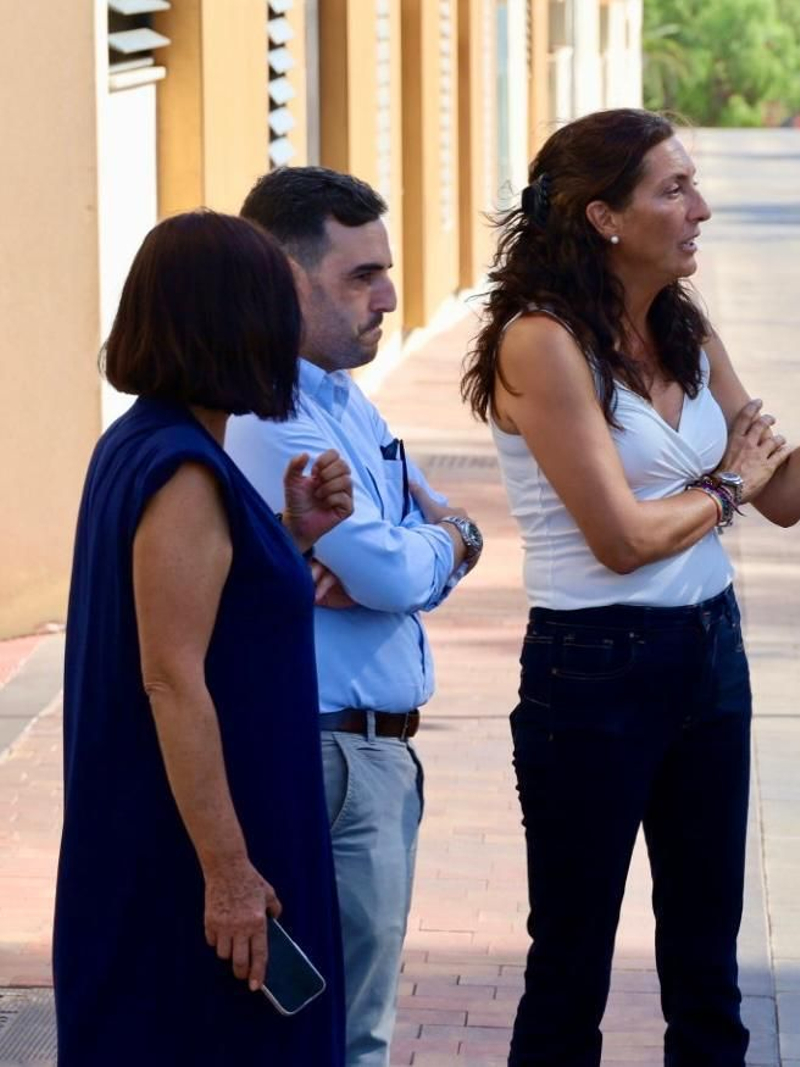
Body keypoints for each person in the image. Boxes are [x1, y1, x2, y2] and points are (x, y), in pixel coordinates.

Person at [459, 107, 800, 1066]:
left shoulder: (685, 330)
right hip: (590, 672)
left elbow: (786, 490)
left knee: (708, 969)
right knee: (571, 969)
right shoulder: (540, 342)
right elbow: (625, 537)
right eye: (673, 190)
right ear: (603, 218)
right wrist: (725, 487)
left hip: (708, 656)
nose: (700, 208)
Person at [55, 211, 353, 1064]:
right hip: (205, 850)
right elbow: (172, 677)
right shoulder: (182, 468)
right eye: (279, 306)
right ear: (233, 322)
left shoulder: (148, 446)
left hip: (201, 834)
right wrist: (228, 874)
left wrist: (291, 540)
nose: (291, 330)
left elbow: (214, 618)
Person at [225, 167, 482, 1067]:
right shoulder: (272, 415)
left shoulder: (343, 398)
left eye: (387, 268)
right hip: (332, 756)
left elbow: (420, 541)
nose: (390, 296)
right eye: (360, 276)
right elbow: (389, 567)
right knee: (340, 1033)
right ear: (285, 279)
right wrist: (432, 545)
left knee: (347, 1020)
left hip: (371, 756)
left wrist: (439, 540)